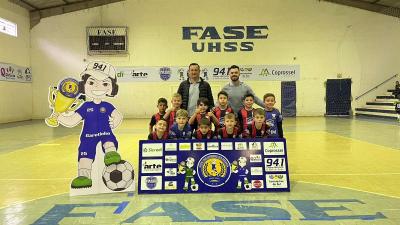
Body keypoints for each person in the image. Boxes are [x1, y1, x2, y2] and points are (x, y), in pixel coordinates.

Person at [57, 61, 123, 189]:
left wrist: (114, 122)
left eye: (105, 83)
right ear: (84, 85)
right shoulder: (85, 106)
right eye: (92, 82)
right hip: (88, 137)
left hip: (105, 133)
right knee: (84, 158)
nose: (98, 87)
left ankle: (111, 153)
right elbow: (72, 120)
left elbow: (117, 115)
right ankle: (84, 176)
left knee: (109, 142)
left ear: (112, 89)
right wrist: (59, 116)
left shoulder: (107, 106)